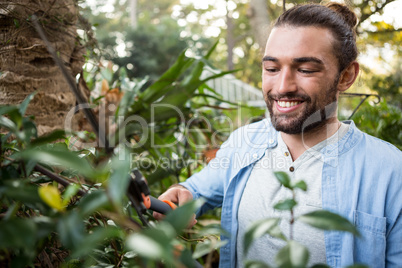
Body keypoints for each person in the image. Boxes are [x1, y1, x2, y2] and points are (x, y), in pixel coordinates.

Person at [154, 2, 402, 267]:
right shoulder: (242, 143)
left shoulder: (391, 171)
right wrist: (180, 193)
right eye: (272, 69)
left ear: (346, 76)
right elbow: (196, 190)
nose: (283, 86)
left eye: (305, 69)